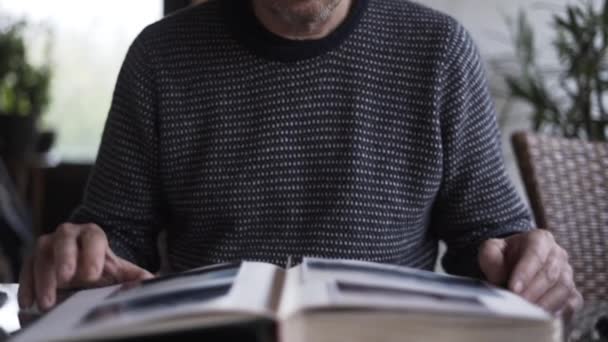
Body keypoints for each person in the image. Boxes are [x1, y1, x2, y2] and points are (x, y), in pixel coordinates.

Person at [18, 0, 583, 318]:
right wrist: (80, 255)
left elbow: (489, 237)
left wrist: (524, 258)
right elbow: (115, 238)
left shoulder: (438, 52)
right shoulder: (159, 57)